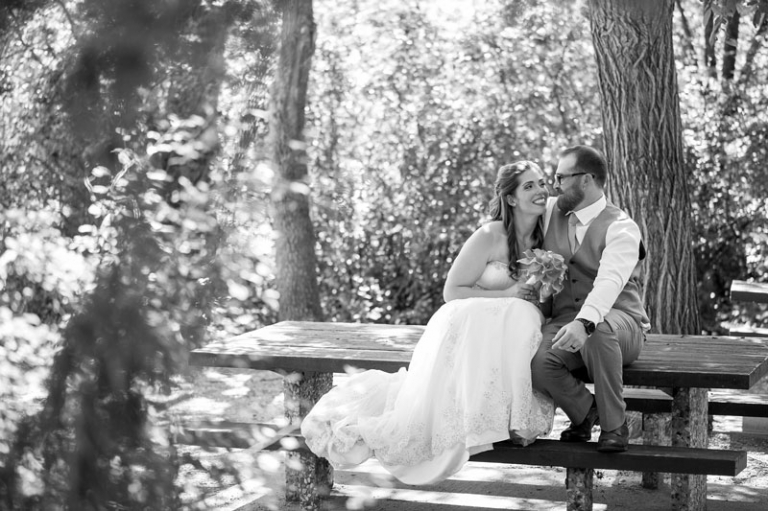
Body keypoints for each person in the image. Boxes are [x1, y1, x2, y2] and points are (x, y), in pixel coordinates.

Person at [301, 161, 555, 485]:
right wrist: (509, 293)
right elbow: (453, 291)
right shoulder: (490, 235)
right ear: (511, 198)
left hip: (513, 330)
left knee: (521, 317)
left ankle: (507, 418)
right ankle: (474, 421)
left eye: (542, 183)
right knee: (509, 313)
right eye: (529, 186)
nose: (540, 190)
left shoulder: (546, 237)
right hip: (470, 322)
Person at [531, 145, 650, 453]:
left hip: (620, 321)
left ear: (585, 180)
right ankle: (586, 413)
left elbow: (610, 281)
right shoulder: (549, 214)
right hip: (563, 318)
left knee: (598, 333)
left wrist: (584, 322)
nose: (554, 185)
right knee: (537, 359)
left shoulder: (622, 228)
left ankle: (614, 426)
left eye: (561, 177)